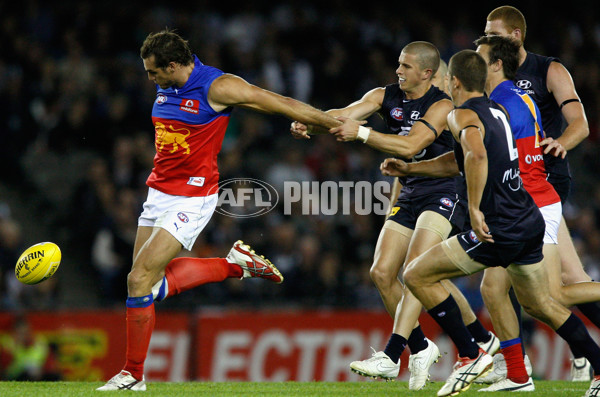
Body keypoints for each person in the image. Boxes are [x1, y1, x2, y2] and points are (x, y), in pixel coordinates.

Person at [97, 29, 342, 391]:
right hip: (158, 193)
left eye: (152, 72)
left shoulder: (218, 87)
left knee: (137, 280)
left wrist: (332, 124)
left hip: (193, 197)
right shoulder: (168, 82)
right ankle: (235, 265)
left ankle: (133, 375)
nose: (148, 79)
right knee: (149, 286)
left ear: (174, 65)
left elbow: (279, 102)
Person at [379, 49, 600, 397]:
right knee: (540, 302)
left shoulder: (460, 115)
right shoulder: (498, 109)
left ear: (453, 81)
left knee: (416, 273)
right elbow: (459, 161)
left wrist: (475, 208)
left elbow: (476, 155)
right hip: (527, 219)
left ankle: (473, 353)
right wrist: (411, 169)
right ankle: (560, 370)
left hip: (499, 229)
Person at [291, 41, 497, 390]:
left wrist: (363, 134)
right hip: (409, 191)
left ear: (427, 73)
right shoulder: (384, 95)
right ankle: (429, 345)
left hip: (444, 191)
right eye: (398, 64)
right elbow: (346, 114)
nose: (398, 70)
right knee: (383, 272)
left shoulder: (442, 104)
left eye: (405, 66)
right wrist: (312, 124)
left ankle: (397, 352)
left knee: (416, 268)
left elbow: (410, 146)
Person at [485, 6, 597, 381]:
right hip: (512, 188)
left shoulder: (548, 70)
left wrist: (561, 143)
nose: (486, 40)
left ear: (515, 36)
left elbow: (580, 123)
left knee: (510, 286)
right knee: (565, 280)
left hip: (543, 182)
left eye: (494, 33)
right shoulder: (490, 75)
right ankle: (563, 356)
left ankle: (513, 368)